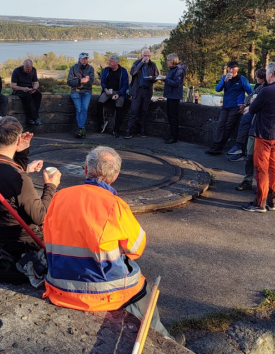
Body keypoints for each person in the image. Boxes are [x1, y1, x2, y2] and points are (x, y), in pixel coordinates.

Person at [42, 146, 175, 341]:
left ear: (86, 170)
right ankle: (165, 340)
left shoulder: (59, 197)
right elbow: (136, 249)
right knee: (143, 290)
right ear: (115, 176)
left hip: (58, 285)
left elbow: (47, 235)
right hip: (101, 293)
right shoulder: (115, 205)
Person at [0, 117, 61, 257]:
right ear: (19, 140)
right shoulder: (18, 177)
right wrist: (51, 186)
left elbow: (8, 179)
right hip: (25, 241)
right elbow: (40, 217)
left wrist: (21, 152)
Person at [241, 62, 275, 213]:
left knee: (261, 168)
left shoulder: (267, 90)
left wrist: (254, 102)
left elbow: (253, 109)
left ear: (270, 75)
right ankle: (273, 200)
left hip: (264, 134)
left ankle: (259, 202)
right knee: (274, 167)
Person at [205, 60, 253, 155]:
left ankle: (219, 146)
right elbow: (217, 89)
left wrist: (245, 104)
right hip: (226, 105)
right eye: (230, 69)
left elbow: (250, 92)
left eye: (233, 69)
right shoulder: (224, 78)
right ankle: (216, 144)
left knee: (228, 126)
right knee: (220, 124)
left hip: (236, 106)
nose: (231, 71)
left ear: (237, 69)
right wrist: (224, 81)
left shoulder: (242, 79)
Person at [234, 68, 268, 190]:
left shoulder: (268, 90)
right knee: (250, 156)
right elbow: (249, 99)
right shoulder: (260, 87)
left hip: (264, 131)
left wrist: (252, 103)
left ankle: (262, 186)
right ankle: (247, 180)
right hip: (254, 128)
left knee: (262, 161)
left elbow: (253, 103)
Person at [123, 49, 160, 139]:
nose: (146, 57)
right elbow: (132, 73)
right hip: (137, 90)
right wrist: (141, 63)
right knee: (133, 110)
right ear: (141, 56)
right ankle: (128, 131)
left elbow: (157, 77)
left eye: (148, 55)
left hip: (147, 90)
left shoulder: (153, 65)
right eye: (145, 55)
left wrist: (152, 78)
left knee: (144, 111)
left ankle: (142, 131)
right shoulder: (136, 63)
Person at [97, 55, 129, 138]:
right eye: (109, 61)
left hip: (119, 92)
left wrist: (119, 94)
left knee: (119, 107)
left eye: (111, 61)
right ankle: (102, 123)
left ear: (116, 62)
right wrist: (105, 89)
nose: (109, 63)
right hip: (108, 91)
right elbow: (102, 81)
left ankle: (116, 129)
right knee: (99, 103)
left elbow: (126, 85)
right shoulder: (106, 70)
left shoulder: (123, 71)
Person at [67, 52, 95, 139]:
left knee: (84, 109)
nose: (84, 60)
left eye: (86, 58)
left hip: (86, 92)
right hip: (75, 92)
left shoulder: (90, 68)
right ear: (79, 59)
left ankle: (81, 128)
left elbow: (90, 83)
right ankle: (82, 128)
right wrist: (81, 81)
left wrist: (78, 81)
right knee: (78, 109)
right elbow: (69, 82)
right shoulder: (73, 68)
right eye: (83, 58)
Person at [161, 53, 186, 144]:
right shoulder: (173, 69)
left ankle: (174, 137)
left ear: (172, 61)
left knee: (173, 117)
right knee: (170, 116)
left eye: (168, 60)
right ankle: (171, 134)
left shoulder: (178, 70)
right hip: (171, 95)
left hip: (174, 96)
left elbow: (176, 83)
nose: (167, 62)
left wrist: (164, 79)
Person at [11, 59, 43, 126]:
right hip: (19, 90)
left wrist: (35, 87)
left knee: (38, 94)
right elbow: (13, 86)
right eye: (27, 69)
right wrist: (22, 88)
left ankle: (31, 118)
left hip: (29, 88)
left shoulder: (33, 70)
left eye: (30, 69)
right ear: (23, 66)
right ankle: (36, 117)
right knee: (28, 97)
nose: (28, 70)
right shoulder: (16, 71)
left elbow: (36, 82)